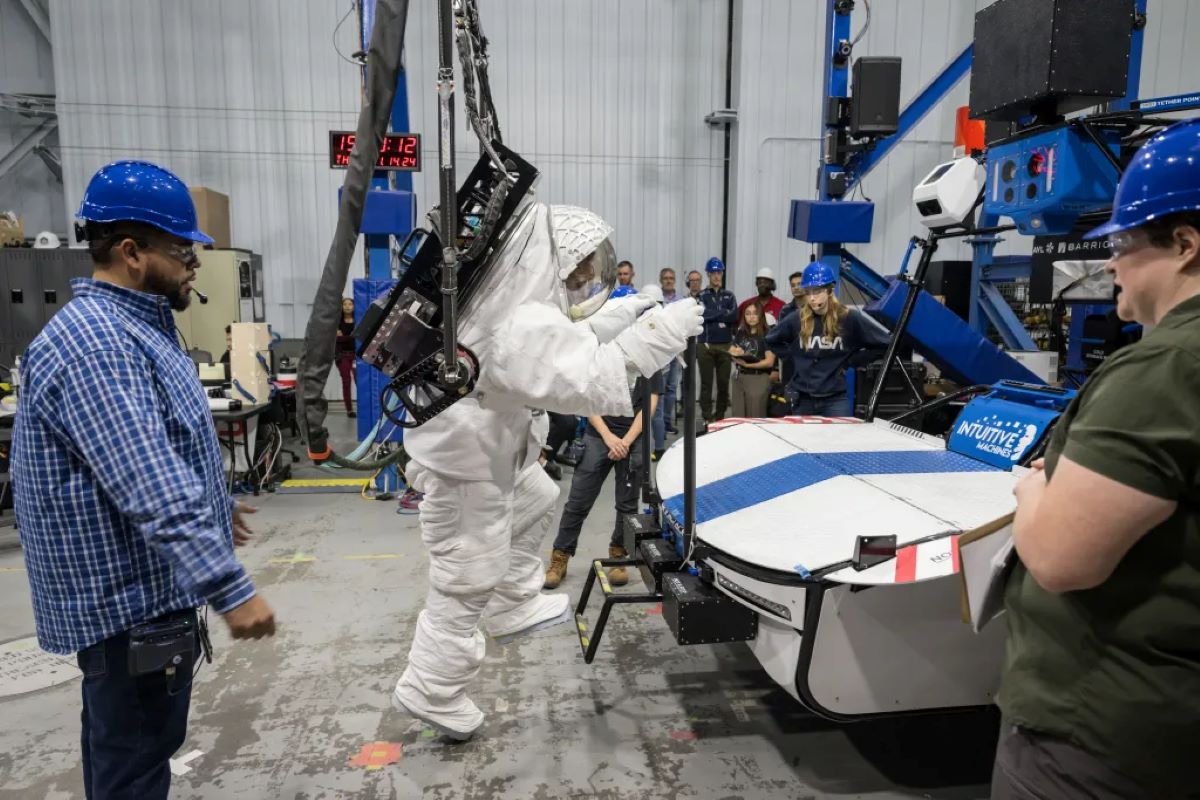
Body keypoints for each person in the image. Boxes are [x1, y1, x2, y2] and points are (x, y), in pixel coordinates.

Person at [10, 160, 276, 800]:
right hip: (128, 605)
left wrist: (217, 503)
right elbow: (147, 483)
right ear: (132, 252)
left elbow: (158, 445)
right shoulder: (101, 343)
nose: (193, 263)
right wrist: (232, 591)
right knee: (134, 763)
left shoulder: (137, 328)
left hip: (142, 598)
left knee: (132, 753)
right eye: (182, 249)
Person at [392, 203, 702, 740]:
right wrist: (658, 335)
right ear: (551, 261)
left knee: (536, 495)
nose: (586, 277)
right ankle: (433, 687)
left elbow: (563, 337)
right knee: (467, 575)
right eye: (580, 268)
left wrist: (625, 313)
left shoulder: (508, 299)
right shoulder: (511, 324)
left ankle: (514, 601)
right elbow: (582, 374)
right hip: (466, 464)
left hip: (484, 448)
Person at [992, 118, 1200, 800]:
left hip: (1101, 737)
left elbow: (1059, 558)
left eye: (1121, 243)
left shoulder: (1165, 367)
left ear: (1185, 245)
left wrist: (1033, 491)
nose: (1110, 263)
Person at [544, 368, 662, 589]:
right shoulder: (602, 355)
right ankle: (560, 556)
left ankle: (618, 555)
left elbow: (649, 406)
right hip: (598, 435)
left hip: (634, 438)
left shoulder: (649, 361)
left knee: (627, 505)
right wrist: (608, 437)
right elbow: (588, 400)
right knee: (578, 501)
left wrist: (625, 441)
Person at [765, 261, 889, 417]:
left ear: (830, 290)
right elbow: (771, 339)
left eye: (816, 292)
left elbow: (884, 344)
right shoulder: (797, 319)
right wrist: (794, 357)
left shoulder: (849, 318)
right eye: (808, 292)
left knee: (835, 441)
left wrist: (852, 361)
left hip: (835, 400)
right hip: (803, 399)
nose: (811, 298)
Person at [697, 256, 738, 422]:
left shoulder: (729, 295)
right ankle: (707, 417)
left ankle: (720, 416)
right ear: (708, 274)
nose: (716, 276)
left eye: (719, 272)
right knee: (706, 384)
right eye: (713, 272)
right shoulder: (701, 295)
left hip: (725, 345)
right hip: (705, 344)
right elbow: (701, 314)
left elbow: (733, 316)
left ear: (722, 273)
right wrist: (721, 315)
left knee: (723, 383)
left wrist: (713, 315)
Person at [727, 301, 776, 418]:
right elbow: (732, 349)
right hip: (739, 378)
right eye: (748, 314)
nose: (751, 317)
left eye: (755, 313)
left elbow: (769, 362)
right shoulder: (741, 332)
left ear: (761, 315)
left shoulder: (768, 334)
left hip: (758, 378)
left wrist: (748, 365)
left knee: (755, 417)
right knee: (738, 417)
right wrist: (735, 353)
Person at [335, 297, 356, 417]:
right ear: (342, 307)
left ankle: (363, 406)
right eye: (345, 304)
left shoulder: (357, 321)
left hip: (355, 356)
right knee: (346, 381)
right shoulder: (338, 322)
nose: (347, 306)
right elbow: (337, 339)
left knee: (359, 380)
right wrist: (352, 336)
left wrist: (344, 337)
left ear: (353, 307)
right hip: (342, 356)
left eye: (350, 304)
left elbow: (356, 337)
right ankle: (349, 409)